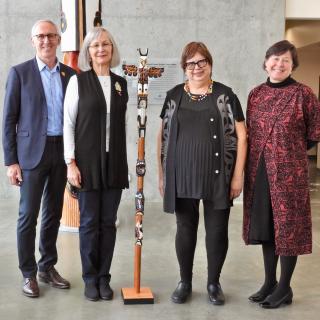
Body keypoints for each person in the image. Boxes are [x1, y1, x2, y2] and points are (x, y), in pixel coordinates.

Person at [157, 42, 247, 305]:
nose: (196, 68)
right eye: (190, 63)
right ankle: (185, 281)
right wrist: (162, 175)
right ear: (184, 67)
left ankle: (213, 283)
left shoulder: (225, 95)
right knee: (185, 229)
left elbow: (242, 137)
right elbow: (161, 136)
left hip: (218, 175)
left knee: (217, 232)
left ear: (210, 63)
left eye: (201, 62)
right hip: (181, 174)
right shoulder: (174, 95)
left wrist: (238, 175)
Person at [243, 40, 320, 309]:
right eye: (275, 59)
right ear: (266, 62)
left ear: (292, 65)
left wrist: (287, 153)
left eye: (285, 60)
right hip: (259, 171)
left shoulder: (304, 94)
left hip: (290, 174)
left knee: (288, 229)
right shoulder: (255, 94)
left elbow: (314, 135)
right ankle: (269, 282)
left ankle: (285, 287)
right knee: (267, 228)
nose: (279, 64)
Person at [2, 20, 75, 298]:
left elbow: (74, 118)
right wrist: (11, 162)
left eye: (51, 36)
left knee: (53, 214)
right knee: (27, 215)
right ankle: (28, 273)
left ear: (58, 40)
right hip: (32, 153)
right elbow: (8, 120)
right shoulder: (20, 73)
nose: (46, 41)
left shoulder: (70, 74)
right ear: (33, 40)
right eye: (40, 36)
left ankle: (47, 266)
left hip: (61, 151)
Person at [63, 27, 129, 301]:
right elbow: (68, 124)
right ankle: (90, 278)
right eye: (95, 45)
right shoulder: (78, 82)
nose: (101, 49)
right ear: (88, 52)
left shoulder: (121, 83)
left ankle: (104, 277)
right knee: (89, 223)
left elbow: (123, 124)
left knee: (108, 223)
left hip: (113, 163)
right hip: (87, 163)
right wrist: (71, 162)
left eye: (106, 44)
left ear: (112, 50)